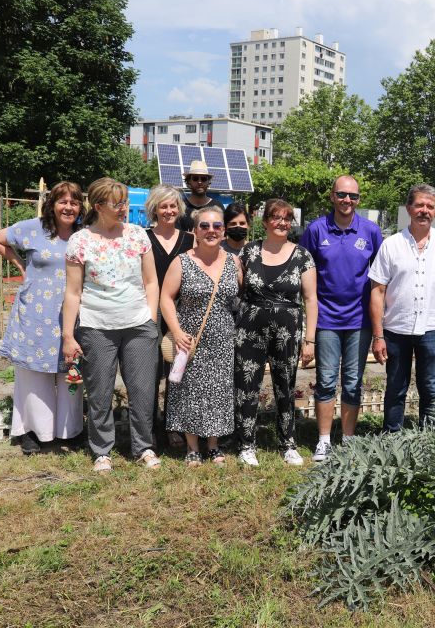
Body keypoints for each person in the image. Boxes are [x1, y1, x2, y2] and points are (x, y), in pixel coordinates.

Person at [62, 177, 161, 473]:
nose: (124, 208)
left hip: (139, 324)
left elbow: (151, 281)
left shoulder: (138, 235)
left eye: (125, 202)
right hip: (96, 325)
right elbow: (73, 291)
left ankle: (143, 446)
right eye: (117, 203)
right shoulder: (80, 240)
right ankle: (102, 450)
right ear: (98, 205)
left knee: (143, 390)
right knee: (100, 391)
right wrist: (69, 334)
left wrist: (151, 320)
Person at [0, 181, 85, 455]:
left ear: (81, 207)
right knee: (34, 373)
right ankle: (33, 431)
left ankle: (69, 431)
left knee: (70, 372)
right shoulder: (33, 228)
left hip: (71, 313)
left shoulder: (83, 235)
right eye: (63, 201)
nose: (68, 207)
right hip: (36, 311)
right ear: (52, 204)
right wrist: (22, 267)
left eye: (74, 202)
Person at [299, 175, 382, 462]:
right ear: (332, 196)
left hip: (359, 321)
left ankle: (347, 440)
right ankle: (324, 440)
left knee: (352, 382)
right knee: (325, 380)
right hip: (326, 321)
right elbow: (304, 273)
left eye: (353, 196)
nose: (348, 200)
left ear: (359, 200)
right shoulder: (315, 230)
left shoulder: (370, 231)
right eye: (342, 195)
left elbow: (380, 281)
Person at [369, 184, 435, 432]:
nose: (424, 210)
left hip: (433, 329)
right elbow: (377, 291)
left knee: (430, 388)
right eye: (419, 205)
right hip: (396, 330)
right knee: (395, 387)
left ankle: (429, 437)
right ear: (409, 208)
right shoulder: (391, 245)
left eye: (430, 206)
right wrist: (378, 335)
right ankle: (392, 437)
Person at [235, 199, 317, 466]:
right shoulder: (248, 252)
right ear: (266, 221)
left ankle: (288, 443)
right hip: (250, 329)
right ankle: (246, 444)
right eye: (276, 217)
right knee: (247, 386)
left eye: (287, 218)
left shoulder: (303, 255)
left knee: (286, 386)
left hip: (288, 331)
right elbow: (236, 292)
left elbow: (311, 299)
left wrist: (310, 339)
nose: (282, 223)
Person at [160, 207, 242, 466]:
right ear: (195, 231)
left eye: (217, 226)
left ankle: (214, 445)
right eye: (204, 226)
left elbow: (238, 299)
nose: (211, 230)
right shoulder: (182, 262)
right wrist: (176, 331)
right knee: (189, 390)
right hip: (189, 339)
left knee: (219, 390)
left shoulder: (234, 261)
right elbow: (166, 298)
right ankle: (192, 447)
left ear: (224, 230)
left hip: (222, 338)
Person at [145, 185, 194, 447]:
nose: (169, 211)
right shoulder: (143, 238)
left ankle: (174, 425)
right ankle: (151, 426)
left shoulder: (190, 239)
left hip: (181, 315)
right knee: (150, 373)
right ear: (154, 208)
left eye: (173, 206)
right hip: (150, 314)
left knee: (177, 372)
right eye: (163, 206)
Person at [177, 160, 224, 232]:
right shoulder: (181, 206)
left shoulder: (217, 206)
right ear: (189, 181)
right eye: (195, 178)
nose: (199, 182)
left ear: (208, 182)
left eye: (203, 179)